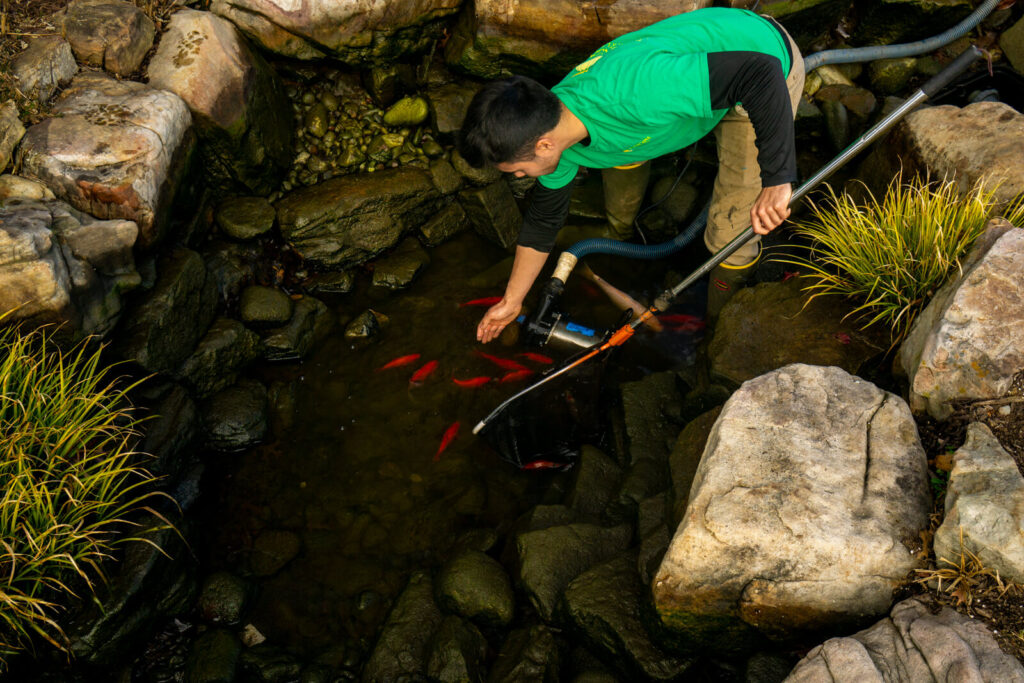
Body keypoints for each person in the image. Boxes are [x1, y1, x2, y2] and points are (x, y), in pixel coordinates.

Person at [457, 7, 806, 343]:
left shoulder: (636, 94)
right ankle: (619, 231)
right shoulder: (553, 122)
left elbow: (760, 74)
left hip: (763, 72)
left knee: (732, 230)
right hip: (708, 65)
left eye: (518, 169)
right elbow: (544, 220)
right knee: (623, 152)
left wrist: (778, 178)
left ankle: (719, 327)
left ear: (544, 146)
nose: (519, 175)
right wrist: (512, 301)